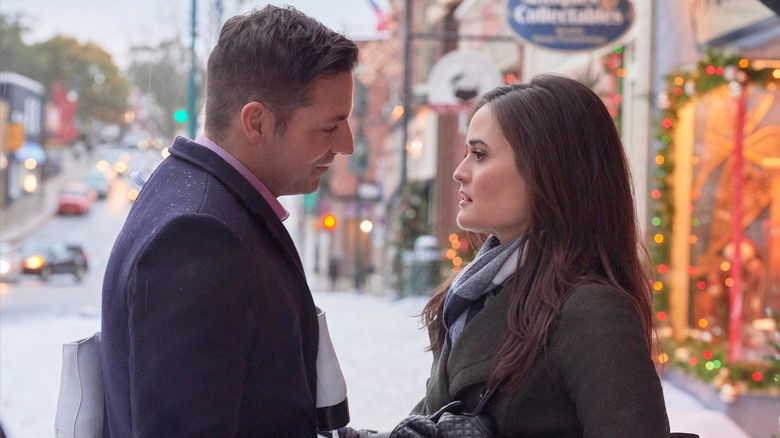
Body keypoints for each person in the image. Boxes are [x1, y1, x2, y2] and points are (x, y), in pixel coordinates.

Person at [349, 75, 670, 438]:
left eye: (479, 154)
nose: (460, 172)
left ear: (547, 171)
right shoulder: (473, 295)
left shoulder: (590, 308)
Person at [101, 6, 358, 436]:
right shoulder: (198, 235)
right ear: (257, 121)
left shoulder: (197, 200)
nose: (346, 145)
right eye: (330, 126)